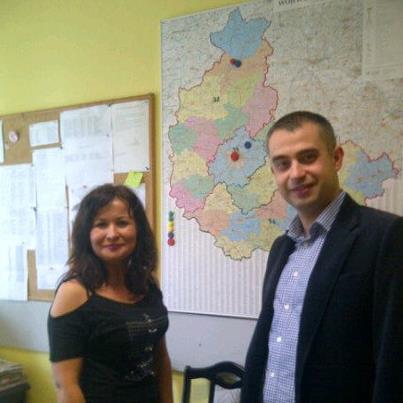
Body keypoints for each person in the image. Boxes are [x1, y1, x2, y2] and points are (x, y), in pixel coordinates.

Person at [241, 111, 403, 403]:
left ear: (336, 158)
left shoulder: (385, 236)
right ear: (274, 173)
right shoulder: (281, 248)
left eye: (308, 157)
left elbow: (394, 360)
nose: (295, 174)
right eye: (283, 164)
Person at [48, 184, 173, 403]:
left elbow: (160, 358)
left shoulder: (148, 284)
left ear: (138, 229)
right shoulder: (74, 293)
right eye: (101, 224)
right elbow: (66, 386)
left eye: (122, 223)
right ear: (86, 234)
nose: (112, 234)